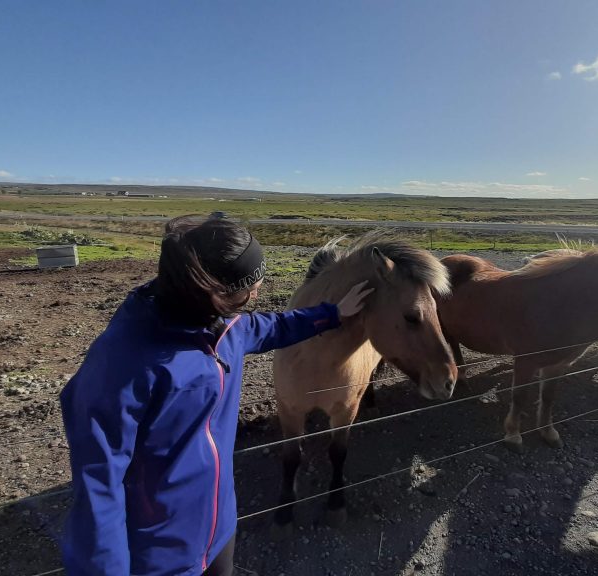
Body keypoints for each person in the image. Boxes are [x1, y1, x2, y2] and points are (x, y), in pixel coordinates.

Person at [60, 217, 372, 576]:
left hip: (219, 526)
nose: (257, 293)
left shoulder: (222, 328)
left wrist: (332, 314)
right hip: (160, 553)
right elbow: (98, 492)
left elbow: (272, 326)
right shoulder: (122, 364)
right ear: (214, 291)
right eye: (250, 287)